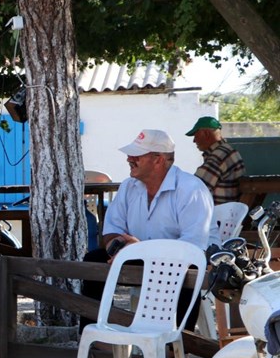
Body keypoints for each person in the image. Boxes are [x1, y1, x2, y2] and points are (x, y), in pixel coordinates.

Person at [81, 129, 213, 331]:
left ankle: (177, 345)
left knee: (189, 272)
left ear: (158, 160)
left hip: (185, 259)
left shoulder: (191, 189)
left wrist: (140, 250)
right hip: (142, 255)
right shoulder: (129, 186)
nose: (129, 159)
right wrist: (119, 250)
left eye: (137, 155)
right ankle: (95, 339)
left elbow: (192, 248)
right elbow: (111, 230)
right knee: (93, 261)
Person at [185, 116, 246, 205]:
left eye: (196, 135)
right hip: (230, 210)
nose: (194, 141)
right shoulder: (228, 150)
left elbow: (196, 189)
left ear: (206, 134)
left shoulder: (218, 156)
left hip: (220, 213)